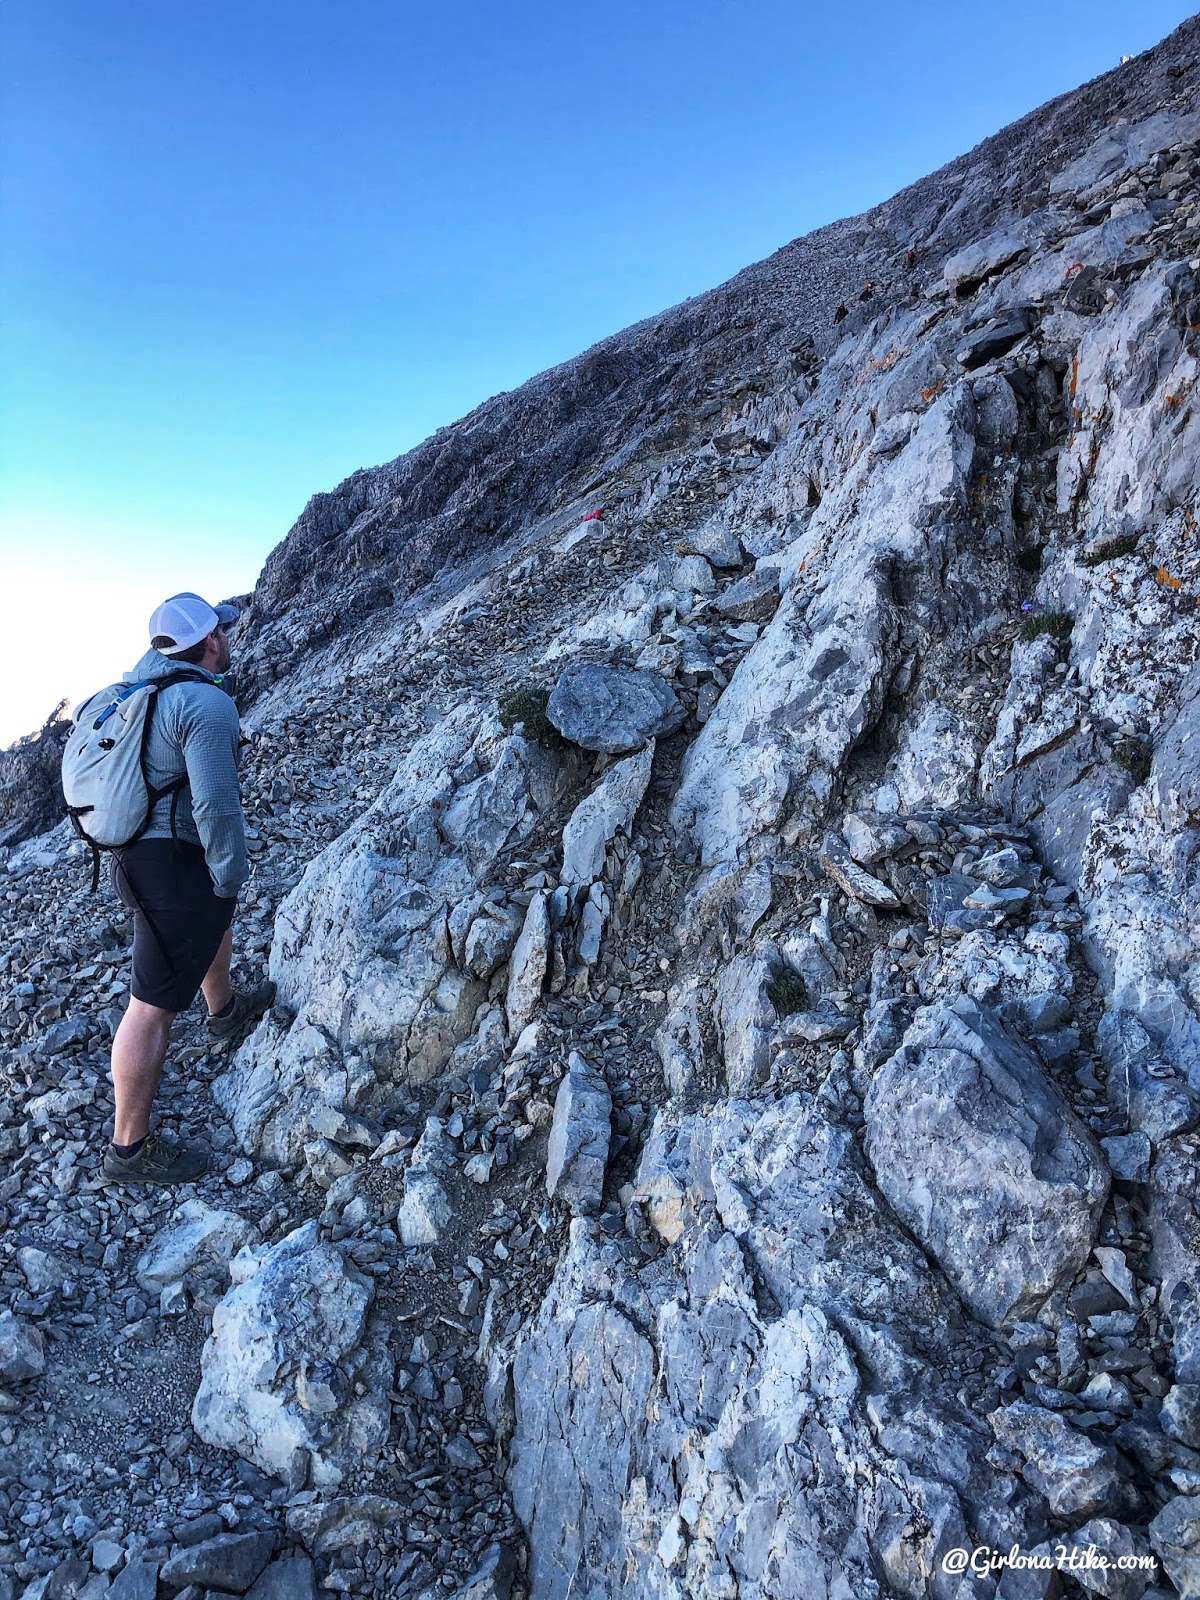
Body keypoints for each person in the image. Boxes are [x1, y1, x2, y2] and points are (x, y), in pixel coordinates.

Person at [82, 592, 275, 1186]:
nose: (228, 637)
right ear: (211, 641)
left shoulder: (133, 695)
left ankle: (222, 1010)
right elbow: (217, 806)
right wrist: (231, 874)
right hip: (170, 860)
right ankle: (129, 1151)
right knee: (151, 1006)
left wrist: (220, 890)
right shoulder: (203, 705)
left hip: (134, 855)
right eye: (223, 631)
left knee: (211, 916)